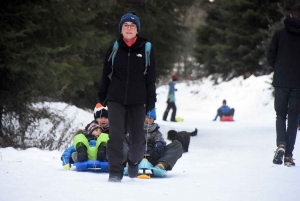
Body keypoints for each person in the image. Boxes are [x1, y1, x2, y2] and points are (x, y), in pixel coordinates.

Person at [98, 12, 157, 182]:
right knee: (115, 136)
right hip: (116, 98)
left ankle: (133, 161)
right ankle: (115, 172)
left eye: (132, 26)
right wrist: (102, 95)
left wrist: (151, 100)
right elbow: (105, 74)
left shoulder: (147, 48)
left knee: (137, 139)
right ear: (121, 29)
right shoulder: (114, 48)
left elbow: (151, 77)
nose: (129, 28)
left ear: (137, 29)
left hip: (138, 101)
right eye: (126, 26)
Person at [267, 3, 300, 166]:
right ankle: (288, 156)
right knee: (293, 119)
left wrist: (279, 69)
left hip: (281, 81)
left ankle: (281, 144)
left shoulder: (279, 34)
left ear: (291, 15)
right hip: (298, 84)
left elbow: (270, 56)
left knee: (280, 115)